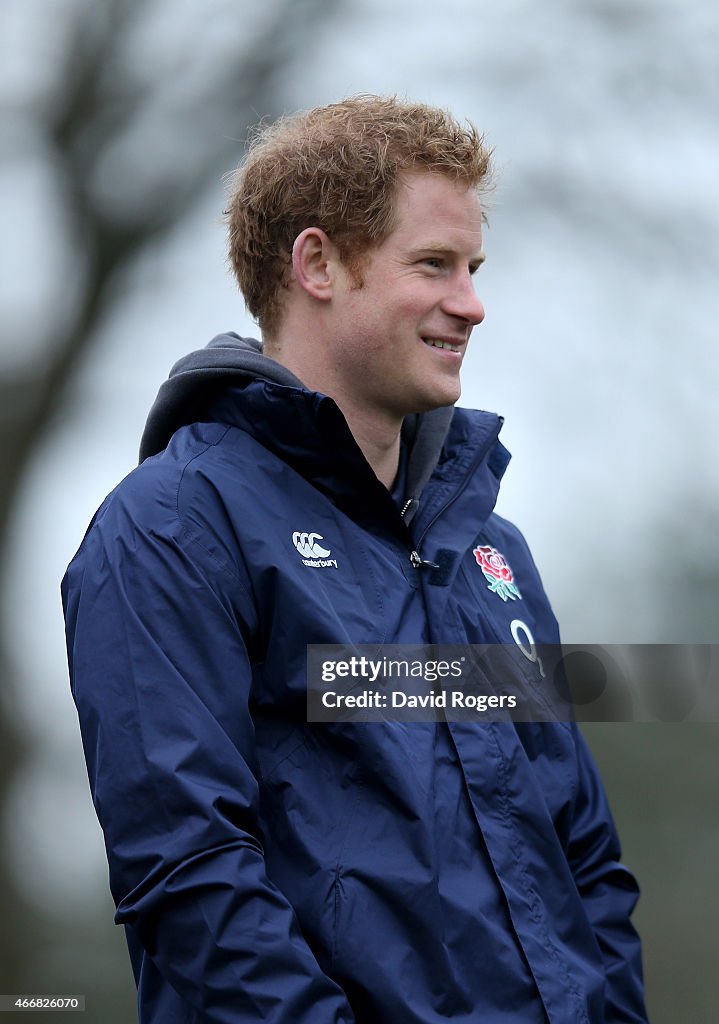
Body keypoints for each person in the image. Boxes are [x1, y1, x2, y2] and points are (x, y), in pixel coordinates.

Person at [62, 96, 647, 1023]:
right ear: (318, 264)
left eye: (474, 267)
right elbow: (189, 878)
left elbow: (584, 861)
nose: (472, 302)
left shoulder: (490, 552)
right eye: (434, 265)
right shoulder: (174, 526)